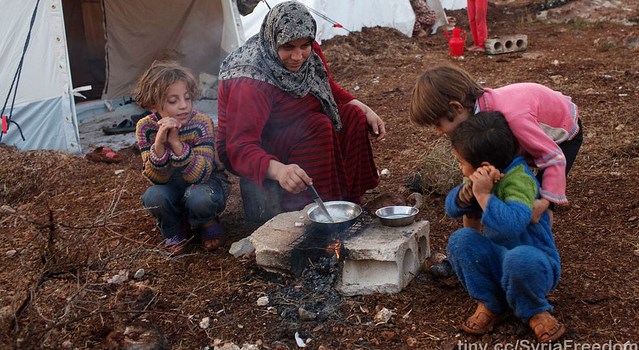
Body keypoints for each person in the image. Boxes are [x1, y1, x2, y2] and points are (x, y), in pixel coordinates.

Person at [216, 1, 385, 218]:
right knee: (318, 126)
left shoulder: (311, 51)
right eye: (288, 47)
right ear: (273, 40)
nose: (298, 57)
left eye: (304, 46)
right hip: (255, 144)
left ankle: (348, 204)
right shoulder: (251, 81)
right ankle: (312, 212)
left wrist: (364, 108)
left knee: (352, 116)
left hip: (295, 125)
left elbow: (328, 88)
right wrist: (280, 170)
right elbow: (239, 147)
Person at [445, 111, 565, 343]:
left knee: (518, 259)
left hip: (534, 263)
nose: (461, 169)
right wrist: (464, 194)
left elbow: (508, 227)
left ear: (485, 165)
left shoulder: (519, 180)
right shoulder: (479, 177)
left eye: (461, 163)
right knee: (460, 240)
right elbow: (452, 209)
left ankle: (535, 310)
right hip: (499, 259)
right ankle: (492, 303)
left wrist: (483, 195)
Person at [410, 62, 582, 223]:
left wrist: (546, 201)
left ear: (456, 108)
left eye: (438, 124)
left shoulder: (513, 119)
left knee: (535, 201)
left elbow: (553, 157)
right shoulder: (476, 118)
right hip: (522, 137)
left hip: (561, 135)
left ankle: (543, 249)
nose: (439, 132)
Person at [135, 60, 230, 256]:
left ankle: (207, 221)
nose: (184, 106)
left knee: (199, 197)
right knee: (154, 196)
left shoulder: (201, 123)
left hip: (205, 182)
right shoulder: (145, 128)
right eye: (173, 101)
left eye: (187, 98)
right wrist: (160, 144)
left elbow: (201, 175)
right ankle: (175, 228)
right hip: (171, 185)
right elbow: (156, 179)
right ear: (154, 104)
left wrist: (177, 144)